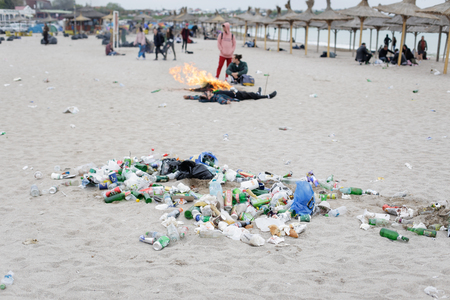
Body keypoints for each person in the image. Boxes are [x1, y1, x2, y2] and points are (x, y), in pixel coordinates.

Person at [183, 87, 277, 105]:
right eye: (206, 93)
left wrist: (188, 96)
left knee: (250, 95)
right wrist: (226, 102)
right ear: (208, 97)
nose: (207, 92)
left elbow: (196, 97)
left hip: (234, 92)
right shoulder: (216, 97)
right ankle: (268, 96)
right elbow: (221, 100)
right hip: (237, 96)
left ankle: (258, 94)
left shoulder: (214, 93)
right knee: (250, 95)